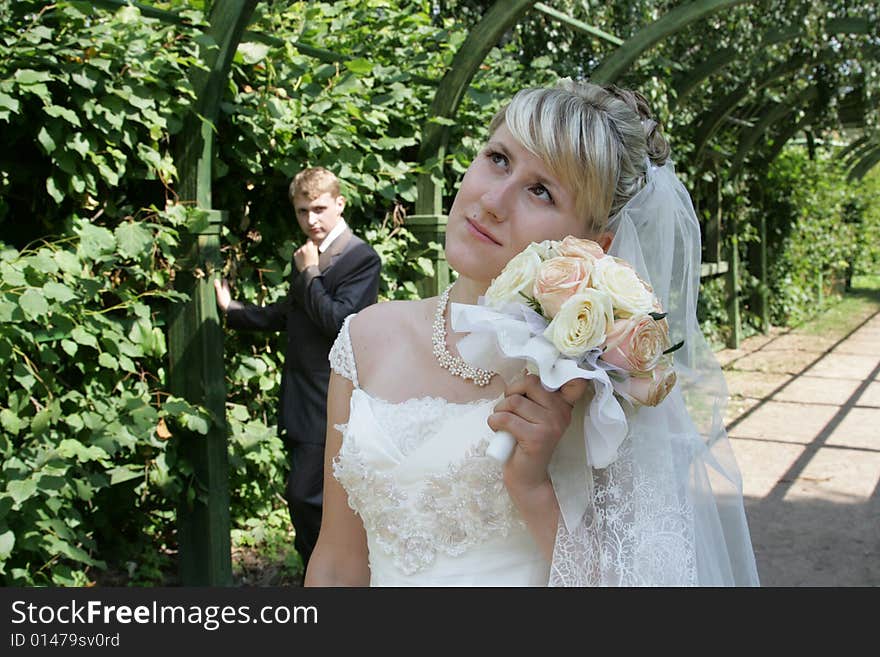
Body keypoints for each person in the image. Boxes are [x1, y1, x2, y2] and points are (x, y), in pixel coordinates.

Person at [304, 80, 759, 586]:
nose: (493, 200)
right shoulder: (365, 338)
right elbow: (336, 563)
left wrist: (532, 486)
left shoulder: (598, 386)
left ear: (593, 245)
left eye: (541, 190)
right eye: (498, 158)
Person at [214, 166, 381, 570]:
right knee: (311, 500)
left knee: (308, 498)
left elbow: (339, 322)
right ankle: (324, 576)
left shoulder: (361, 258)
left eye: (320, 209)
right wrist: (233, 311)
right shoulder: (308, 254)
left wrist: (309, 272)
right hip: (302, 396)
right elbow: (294, 314)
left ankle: (328, 576)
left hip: (334, 397)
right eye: (303, 211)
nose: (311, 220)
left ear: (340, 204)